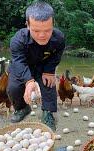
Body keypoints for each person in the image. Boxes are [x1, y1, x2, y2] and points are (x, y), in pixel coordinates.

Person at [7, 1, 65, 131]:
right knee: (13, 89)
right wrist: (28, 81)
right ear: (27, 25)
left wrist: (50, 71)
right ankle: (22, 108)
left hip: (43, 66)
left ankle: (48, 114)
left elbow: (56, 56)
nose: (42, 35)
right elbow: (18, 61)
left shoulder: (59, 38)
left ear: (53, 24)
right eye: (36, 30)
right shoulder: (17, 40)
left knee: (49, 84)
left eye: (47, 30)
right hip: (22, 66)